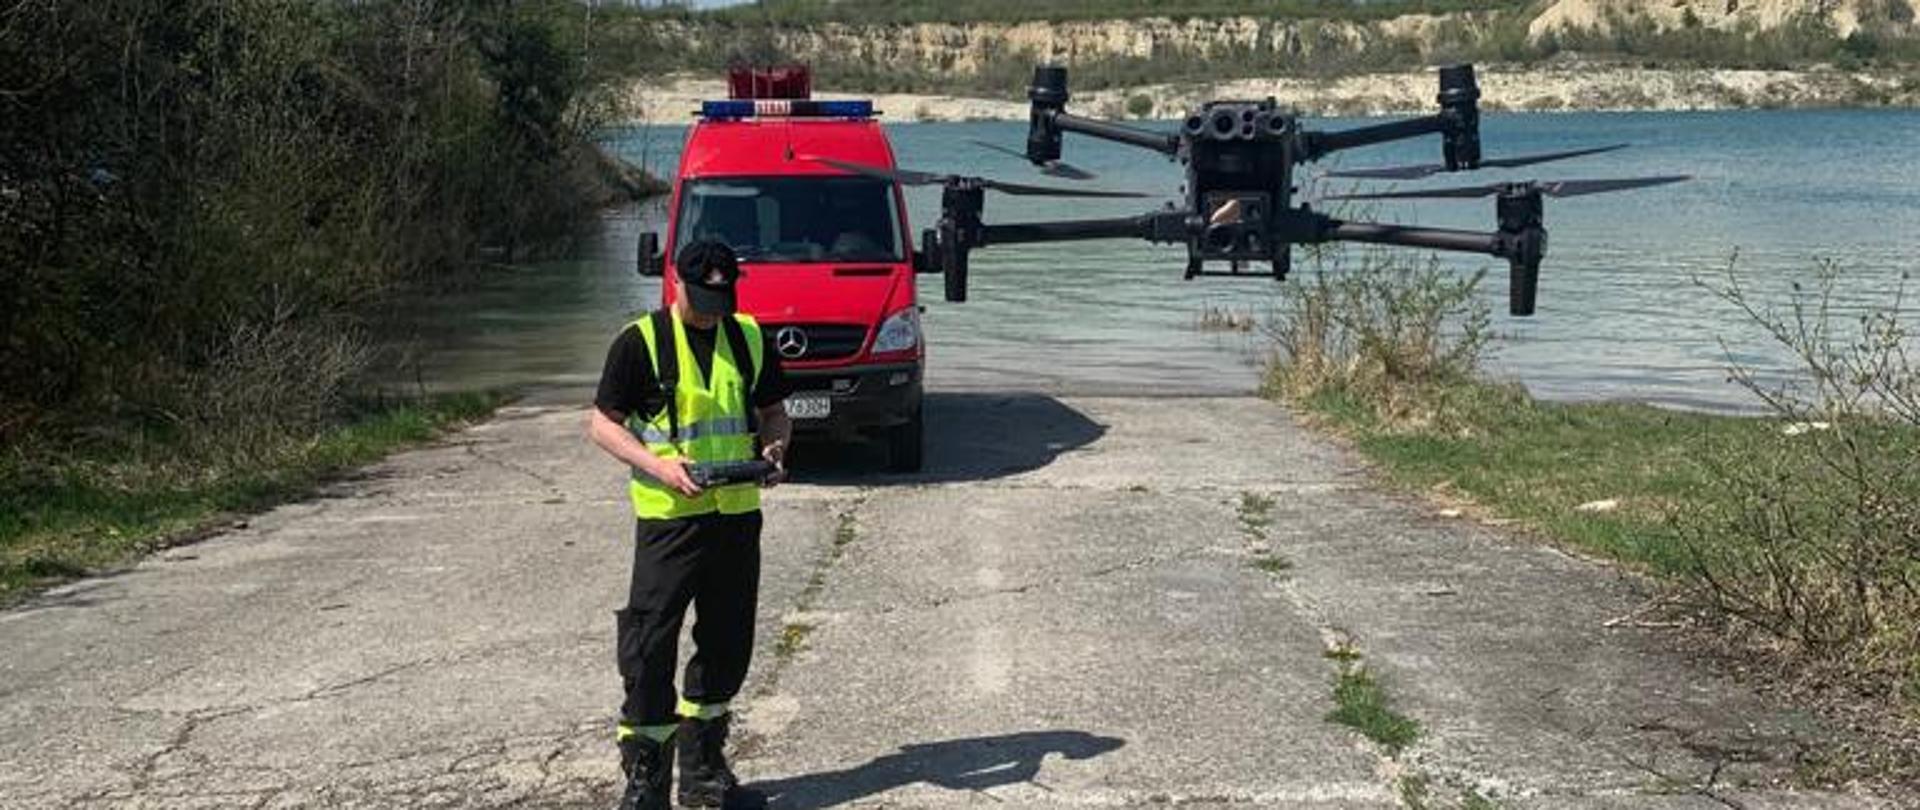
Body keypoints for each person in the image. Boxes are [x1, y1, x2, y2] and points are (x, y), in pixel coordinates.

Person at [586, 239, 792, 810]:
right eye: (702, 297)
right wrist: (659, 466)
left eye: (721, 298)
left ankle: (704, 771)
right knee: (649, 646)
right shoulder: (641, 342)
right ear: (677, 284)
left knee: (727, 642)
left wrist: (775, 447)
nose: (711, 308)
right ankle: (646, 780)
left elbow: (774, 411)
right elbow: (602, 425)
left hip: (735, 518)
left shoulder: (749, 337)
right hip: (669, 522)